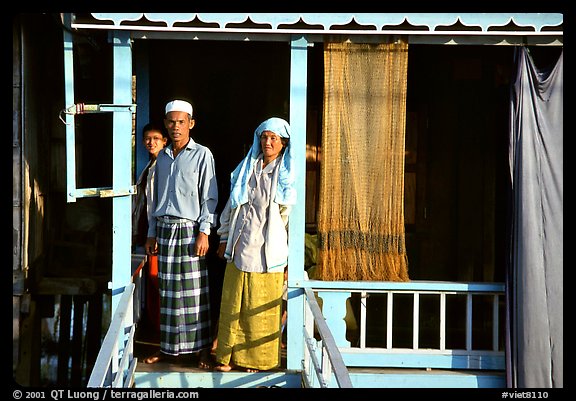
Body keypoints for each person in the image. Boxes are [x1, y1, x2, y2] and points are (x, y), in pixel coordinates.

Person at [214, 117, 296, 373]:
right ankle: (227, 358)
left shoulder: (287, 175)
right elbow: (232, 204)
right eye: (264, 137)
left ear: (283, 143)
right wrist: (224, 236)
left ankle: (257, 362)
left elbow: (290, 220)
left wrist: (290, 259)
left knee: (259, 311)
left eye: (274, 138)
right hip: (241, 246)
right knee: (233, 306)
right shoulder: (248, 168)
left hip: (268, 252)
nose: (268, 142)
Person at [143, 99, 219, 369]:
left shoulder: (202, 154)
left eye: (181, 122)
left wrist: (205, 231)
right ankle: (168, 350)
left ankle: (201, 351)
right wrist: (151, 232)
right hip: (163, 229)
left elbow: (209, 197)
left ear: (191, 124)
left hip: (189, 230)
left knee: (194, 293)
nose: (176, 127)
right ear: (166, 124)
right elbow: (153, 200)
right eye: (172, 122)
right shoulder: (161, 158)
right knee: (169, 292)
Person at [132, 123, 169, 341]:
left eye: (156, 138)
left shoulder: (165, 166)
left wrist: (152, 234)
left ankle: (160, 334)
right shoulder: (150, 165)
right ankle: (157, 330)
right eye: (147, 138)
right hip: (148, 233)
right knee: (152, 283)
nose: (151, 142)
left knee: (158, 281)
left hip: (159, 234)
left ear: (165, 141)